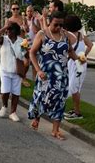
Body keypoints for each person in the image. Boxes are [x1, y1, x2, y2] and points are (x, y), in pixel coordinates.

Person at [28, 11, 83, 140]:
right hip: (45, 75)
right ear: (49, 22)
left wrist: (80, 60)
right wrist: (38, 70)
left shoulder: (65, 35)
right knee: (41, 97)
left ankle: (55, 130)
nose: (58, 28)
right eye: (56, 25)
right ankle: (37, 118)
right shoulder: (42, 34)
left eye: (61, 25)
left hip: (61, 76)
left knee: (60, 101)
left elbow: (70, 52)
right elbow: (32, 53)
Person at [0, 21, 24, 122]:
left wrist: (24, 71)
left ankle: (13, 112)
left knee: (16, 93)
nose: (8, 31)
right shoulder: (4, 40)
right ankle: (4, 105)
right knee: (5, 91)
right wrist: (4, 27)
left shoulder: (22, 41)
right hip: (5, 70)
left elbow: (26, 56)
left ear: (16, 31)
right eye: (8, 29)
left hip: (16, 72)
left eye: (11, 29)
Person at [64, 15, 93, 120]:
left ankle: (77, 113)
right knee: (75, 87)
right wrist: (84, 55)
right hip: (79, 63)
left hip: (76, 64)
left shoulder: (69, 35)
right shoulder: (81, 35)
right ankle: (75, 109)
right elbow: (91, 45)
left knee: (73, 87)